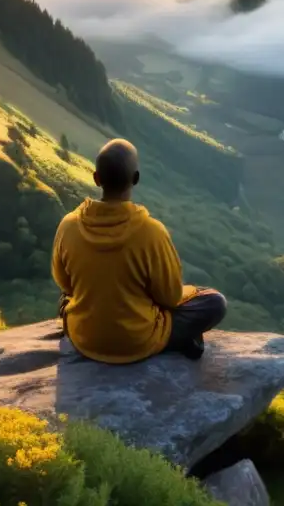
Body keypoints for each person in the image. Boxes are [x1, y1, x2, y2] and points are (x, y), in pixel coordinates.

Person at [51, 138, 227, 363]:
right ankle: (180, 341)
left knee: (65, 298)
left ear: (96, 178)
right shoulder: (152, 231)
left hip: (84, 338)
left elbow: (65, 284)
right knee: (214, 302)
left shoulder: (69, 225)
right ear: (135, 179)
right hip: (139, 340)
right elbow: (170, 297)